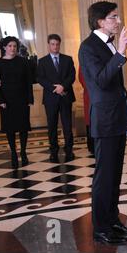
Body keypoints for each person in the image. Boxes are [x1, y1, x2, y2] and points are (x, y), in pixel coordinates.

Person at [79, 1, 127, 245]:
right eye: (114, 17)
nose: (118, 20)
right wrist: (121, 53)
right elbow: (101, 81)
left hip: (116, 117)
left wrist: (118, 52)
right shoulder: (88, 47)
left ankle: (113, 222)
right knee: (104, 177)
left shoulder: (107, 44)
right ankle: (101, 228)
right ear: (100, 21)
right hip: (104, 120)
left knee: (115, 174)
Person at [0, 36, 34, 168]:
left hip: (22, 99)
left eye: (15, 46)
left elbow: (29, 81)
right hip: (7, 101)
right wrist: (1, 100)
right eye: (10, 46)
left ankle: (23, 152)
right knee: (10, 128)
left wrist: (30, 99)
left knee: (23, 128)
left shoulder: (23, 61)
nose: (13, 48)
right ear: (4, 47)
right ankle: (13, 153)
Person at [37, 34, 76, 163]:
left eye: (57, 44)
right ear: (49, 45)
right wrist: (54, 88)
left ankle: (69, 150)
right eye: (52, 44)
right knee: (52, 126)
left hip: (65, 96)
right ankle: (53, 151)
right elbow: (40, 78)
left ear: (60, 44)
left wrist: (63, 86)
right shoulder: (42, 61)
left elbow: (72, 76)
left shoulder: (67, 59)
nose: (55, 46)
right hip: (50, 98)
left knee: (67, 125)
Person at [78, 67, 94, 155]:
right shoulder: (85, 55)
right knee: (90, 120)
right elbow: (81, 76)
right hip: (89, 92)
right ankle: (92, 146)